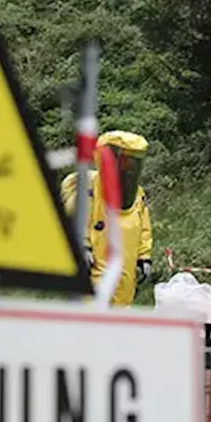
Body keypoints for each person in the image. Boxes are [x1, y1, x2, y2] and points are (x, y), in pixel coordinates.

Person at [59, 130, 155, 306]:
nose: (129, 167)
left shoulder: (138, 195)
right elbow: (78, 219)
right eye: (125, 160)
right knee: (92, 311)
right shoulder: (89, 188)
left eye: (133, 161)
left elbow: (144, 228)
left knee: (120, 313)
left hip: (126, 271)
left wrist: (144, 257)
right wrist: (83, 246)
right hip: (96, 266)